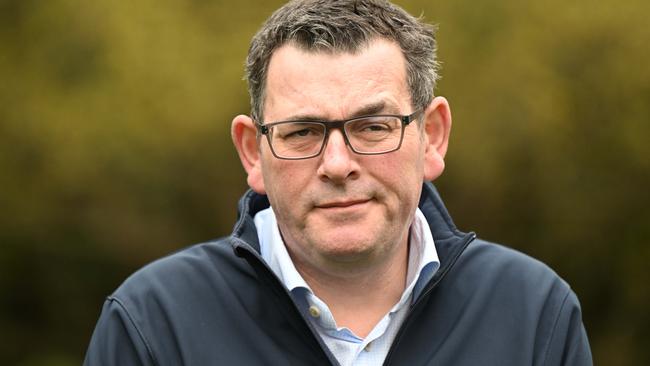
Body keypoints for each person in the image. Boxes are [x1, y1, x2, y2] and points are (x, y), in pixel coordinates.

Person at [84, 1, 592, 365]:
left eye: (372, 127)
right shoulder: (153, 322)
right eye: (302, 131)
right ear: (252, 151)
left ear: (431, 138)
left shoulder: (534, 312)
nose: (337, 163)